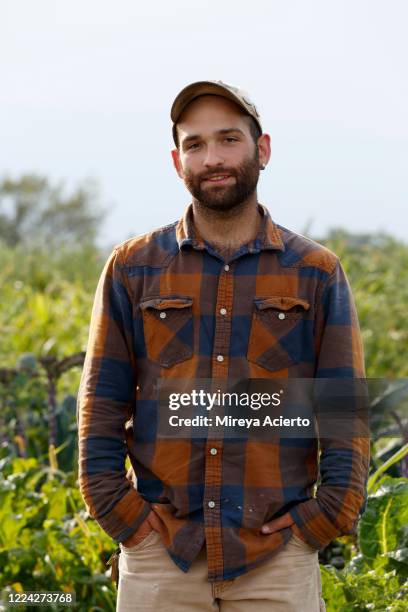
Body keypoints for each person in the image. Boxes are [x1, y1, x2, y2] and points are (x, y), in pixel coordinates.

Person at [77, 80, 369, 611]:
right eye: (195, 144)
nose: (212, 158)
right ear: (176, 161)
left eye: (229, 139)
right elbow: (100, 405)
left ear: (262, 150)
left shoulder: (315, 273)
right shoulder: (134, 268)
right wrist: (125, 519)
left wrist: (323, 519)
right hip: (161, 554)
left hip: (276, 558)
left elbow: (345, 413)